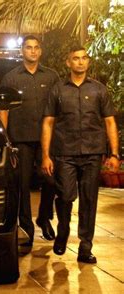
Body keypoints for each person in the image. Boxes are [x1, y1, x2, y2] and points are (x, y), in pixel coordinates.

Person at [41, 46, 119, 264]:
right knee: (65, 196)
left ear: (88, 62)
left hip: (93, 152)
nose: (80, 62)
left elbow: (110, 122)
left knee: (89, 200)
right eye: (75, 59)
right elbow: (48, 122)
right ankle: (63, 229)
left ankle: (86, 246)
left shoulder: (99, 90)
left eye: (84, 58)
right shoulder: (57, 90)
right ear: (68, 63)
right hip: (65, 152)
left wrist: (114, 153)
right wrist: (46, 155)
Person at [0, 35, 60, 249]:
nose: (32, 51)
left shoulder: (52, 76)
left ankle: (44, 218)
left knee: (52, 182)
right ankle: (27, 230)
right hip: (21, 139)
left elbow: (59, 108)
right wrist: (4, 140)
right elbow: (3, 110)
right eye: (28, 48)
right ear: (22, 51)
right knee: (23, 187)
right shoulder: (11, 78)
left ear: (40, 51)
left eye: (36, 48)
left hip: (47, 141)